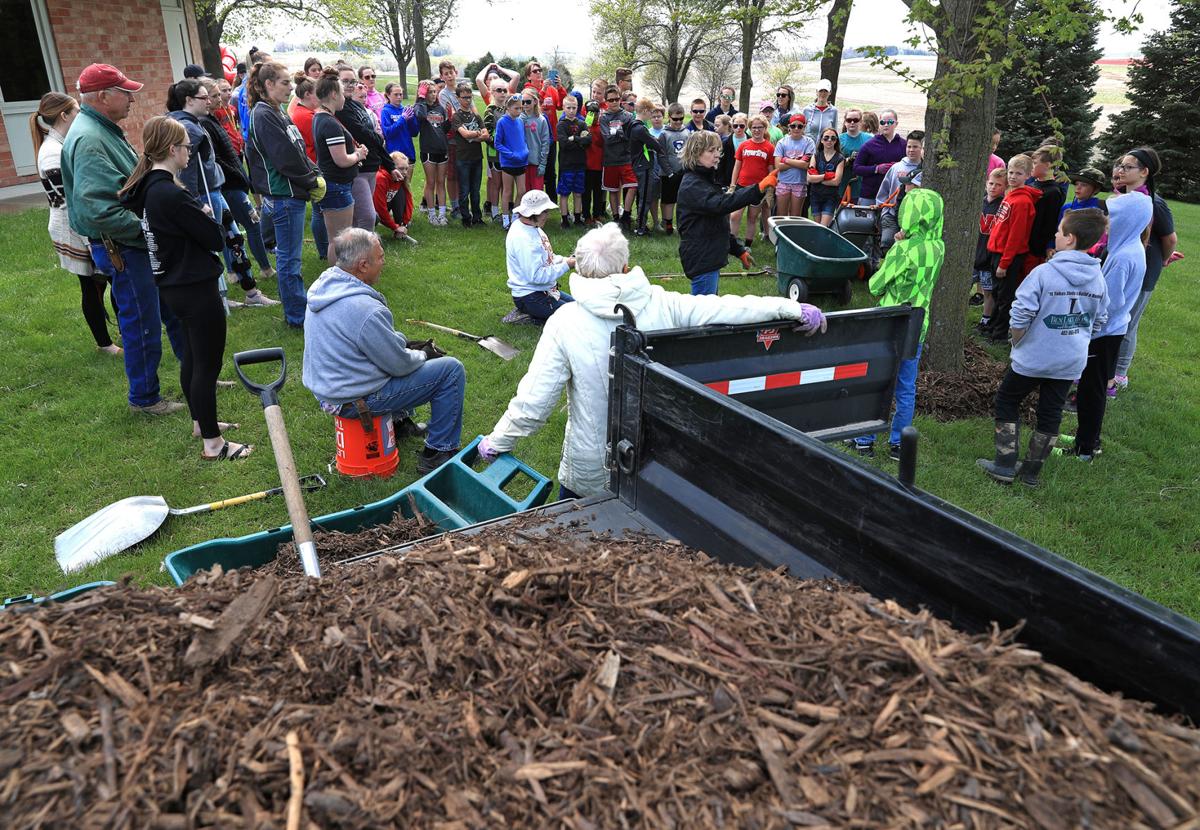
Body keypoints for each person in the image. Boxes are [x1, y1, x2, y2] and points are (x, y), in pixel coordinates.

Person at [477, 222, 826, 498]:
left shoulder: (565, 322)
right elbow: (723, 307)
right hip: (657, 462)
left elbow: (535, 401)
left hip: (593, 469)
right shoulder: (662, 303)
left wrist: (498, 440)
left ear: (579, 271)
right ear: (626, 265)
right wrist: (788, 307)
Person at [119, 117, 250, 460]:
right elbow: (213, 238)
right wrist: (208, 215)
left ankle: (200, 423)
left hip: (173, 286)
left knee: (192, 357)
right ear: (173, 149)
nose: (190, 153)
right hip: (194, 287)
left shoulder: (149, 188)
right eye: (187, 147)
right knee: (206, 364)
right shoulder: (169, 193)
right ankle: (213, 445)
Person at [61, 63, 185, 414]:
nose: (132, 97)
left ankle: (197, 373)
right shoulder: (89, 138)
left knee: (171, 311)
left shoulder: (101, 129)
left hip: (135, 244)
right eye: (124, 91)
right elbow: (95, 211)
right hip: (124, 249)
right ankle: (145, 399)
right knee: (142, 322)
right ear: (102, 96)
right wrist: (150, 229)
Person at [303, 228, 465, 474]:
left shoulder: (324, 287)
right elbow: (398, 364)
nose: (384, 261)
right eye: (380, 257)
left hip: (330, 391)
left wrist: (402, 342)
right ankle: (439, 452)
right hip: (352, 400)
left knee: (396, 350)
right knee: (451, 370)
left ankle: (398, 424)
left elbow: (372, 344)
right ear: (363, 265)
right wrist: (423, 354)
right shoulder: (365, 309)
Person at [977, 208, 1108, 486]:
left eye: (1060, 231)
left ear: (1070, 239)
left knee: (1008, 400)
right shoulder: (1098, 277)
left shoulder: (1043, 273)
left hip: (1034, 356)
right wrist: (1080, 339)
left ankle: (1004, 464)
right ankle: (1031, 474)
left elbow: (1020, 314)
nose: (1055, 234)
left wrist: (1018, 340)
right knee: (1051, 411)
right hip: (1069, 360)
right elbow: (1099, 319)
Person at [848, 188, 945, 460]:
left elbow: (875, 285)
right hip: (917, 325)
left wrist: (895, 249)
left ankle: (864, 440)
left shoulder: (902, 250)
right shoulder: (939, 246)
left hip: (890, 325)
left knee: (877, 382)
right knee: (906, 387)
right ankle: (898, 444)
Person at [31, 92, 120, 355]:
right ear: (64, 115)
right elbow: (68, 202)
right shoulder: (51, 153)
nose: (80, 115)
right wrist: (89, 240)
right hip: (73, 228)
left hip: (80, 224)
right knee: (92, 285)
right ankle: (106, 344)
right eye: (76, 111)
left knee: (106, 280)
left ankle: (123, 333)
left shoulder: (61, 144)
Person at [1071, 191, 1153, 462]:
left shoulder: (1124, 257)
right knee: (1089, 388)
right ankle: (1086, 436)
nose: (1108, 220)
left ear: (1128, 220)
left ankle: (1085, 448)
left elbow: (1111, 302)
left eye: (1113, 216)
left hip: (1105, 332)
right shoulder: (1129, 248)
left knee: (1092, 390)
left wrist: (1090, 325)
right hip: (1110, 330)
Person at [245, 60, 323, 328]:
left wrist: (314, 172)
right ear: (268, 84)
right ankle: (296, 316)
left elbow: (298, 148)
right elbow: (285, 158)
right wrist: (311, 181)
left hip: (292, 194)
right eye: (285, 82)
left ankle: (297, 310)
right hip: (283, 196)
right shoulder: (263, 114)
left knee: (292, 257)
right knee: (289, 259)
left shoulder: (277, 111)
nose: (291, 87)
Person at [196, 77, 279, 304]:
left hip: (230, 183)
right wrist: (237, 176)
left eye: (220, 93)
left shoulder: (216, 118)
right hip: (228, 186)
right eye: (213, 95)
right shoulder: (203, 124)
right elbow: (216, 160)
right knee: (246, 227)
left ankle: (246, 278)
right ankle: (261, 269)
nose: (220, 98)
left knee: (235, 232)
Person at [1111, 147, 1179, 396]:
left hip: (1143, 271)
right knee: (1113, 317)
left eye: (1127, 167)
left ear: (1144, 172)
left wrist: (1161, 261)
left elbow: (1170, 239)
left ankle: (1120, 374)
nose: (1120, 170)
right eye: (1120, 165)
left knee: (1127, 323)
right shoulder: (1123, 198)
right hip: (1120, 267)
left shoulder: (1153, 203)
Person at [677, 131, 778, 295]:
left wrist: (739, 250)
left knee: (708, 308)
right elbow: (722, 205)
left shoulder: (705, 180)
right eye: (711, 151)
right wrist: (757, 189)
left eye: (717, 149)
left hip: (708, 256)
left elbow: (716, 225)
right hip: (702, 258)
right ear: (695, 153)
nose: (717, 155)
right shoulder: (692, 184)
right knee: (702, 313)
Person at [983, 154, 1039, 341]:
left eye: (1019, 173)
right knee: (997, 293)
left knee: (1005, 297)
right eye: (1011, 172)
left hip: (1009, 256)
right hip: (996, 252)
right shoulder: (1010, 196)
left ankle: (999, 333)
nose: (1013, 177)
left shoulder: (1022, 201)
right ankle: (992, 325)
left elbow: (1016, 236)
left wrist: (1005, 263)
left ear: (1028, 175)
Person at [313, 69, 369, 255]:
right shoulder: (329, 122)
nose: (346, 96)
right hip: (336, 186)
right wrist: (358, 155)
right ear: (333, 94)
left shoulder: (321, 117)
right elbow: (342, 160)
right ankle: (337, 280)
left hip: (335, 185)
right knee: (338, 241)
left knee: (337, 240)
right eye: (342, 90)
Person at [337, 67, 398, 232]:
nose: (350, 85)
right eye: (345, 81)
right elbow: (363, 133)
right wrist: (378, 137)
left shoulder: (356, 105)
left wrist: (390, 165)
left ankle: (358, 253)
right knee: (367, 217)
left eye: (353, 81)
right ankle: (364, 254)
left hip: (372, 167)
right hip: (358, 170)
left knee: (359, 218)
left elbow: (373, 136)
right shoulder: (341, 109)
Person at [506, 190, 576, 321]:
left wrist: (568, 259)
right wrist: (567, 265)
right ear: (534, 212)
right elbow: (536, 276)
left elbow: (548, 258)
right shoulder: (524, 239)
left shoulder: (533, 227)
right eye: (544, 211)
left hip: (544, 290)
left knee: (579, 307)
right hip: (530, 296)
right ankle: (527, 315)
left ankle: (535, 314)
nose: (547, 215)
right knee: (573, 318)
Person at [875, 129, 924, 257]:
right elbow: (883, 191)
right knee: (887, 243)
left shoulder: (926, 170)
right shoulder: (896, 167)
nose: (911, 150)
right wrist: (882, 209)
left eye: (915, 147)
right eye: (909, 146)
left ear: (922, 148)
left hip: (914, 218)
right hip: (891, 214)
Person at [729, 115, 774, 247]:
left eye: (760, 127)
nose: (757, 130)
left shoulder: (769, 147)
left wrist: (770, 188)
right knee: (734, 215)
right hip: (742, 185)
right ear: (750, 129)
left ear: (765, 128)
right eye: (754, 127)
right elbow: (737, 166)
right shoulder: (744, 145)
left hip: (758, 188)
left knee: (752, 217)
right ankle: (733, 243)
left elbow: (771, 170)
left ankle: (747, 245)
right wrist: (732, 184)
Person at [1023, 146, 1067, 276]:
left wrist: (1043, 247)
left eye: (1035, 163)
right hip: (1022, 244)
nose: (1031, 166)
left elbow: (1049, 224)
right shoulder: (1031, 185)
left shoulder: (1053, 192)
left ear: (1048, 165)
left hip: (1034, 250)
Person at [599, 85, 637, 230]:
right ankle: (616, 218)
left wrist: (617, 134)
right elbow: (607, 139)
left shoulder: (627, 116)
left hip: (626, 158)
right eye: (610, 100)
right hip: (610, 159)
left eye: (616, 99)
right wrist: (620, 133)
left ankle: (626, 215)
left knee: (632, 185)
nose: (614, 102)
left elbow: (629, 137)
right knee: (613, 190)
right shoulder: (603, 118)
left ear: (620, 99)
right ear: (606, 101)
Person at [973, 167, 1006, 324]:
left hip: (988, 257)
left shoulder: (1003, 206)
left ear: (1005, 187)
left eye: (998, 185)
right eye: (991, 183)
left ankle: (985, 319)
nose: (993, 187)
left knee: (988, 291)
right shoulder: (978, 203)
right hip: (973, 254)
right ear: (986, 183)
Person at [414, 78, 450, 226]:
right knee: (431, 182)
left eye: (435, 91)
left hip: (442, 149)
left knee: (441, 182)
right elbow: (421, 116)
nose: (433, 95)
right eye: (429, 92)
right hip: (428, 150)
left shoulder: (440, 108)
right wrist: (421, 98)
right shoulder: (419, 106)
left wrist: (449, 118)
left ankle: (441, 214)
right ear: (423, 93)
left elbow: (444, 130)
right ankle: (431, 214)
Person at [451, 82, 487, 227]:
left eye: (469, 97)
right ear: (458, 98)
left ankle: (477, 217)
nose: (467, 100)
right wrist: (475, 135)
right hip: (463, 159)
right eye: (464, 97)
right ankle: (466, 217)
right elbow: (464, 134)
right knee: (464, 190)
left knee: (475, 190)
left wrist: (474, 136)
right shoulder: (456, 117)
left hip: (477, 158)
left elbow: (486, 134)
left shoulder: (476, 116)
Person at [852, 109, 905, 205]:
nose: (886, 125)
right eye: (882, 122)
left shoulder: (904, 145)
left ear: (896, 124)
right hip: (870, 195)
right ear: (879, 124)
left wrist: (898, 167)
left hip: (895, 196)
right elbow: (856, 168)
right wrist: (876, 169)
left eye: (890, 122)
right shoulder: (869, 145)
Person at [494, 95, 529, 229]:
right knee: (507, 192)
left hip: (521, 161)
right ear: (508, 108)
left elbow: (522, 139)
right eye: (516, 108)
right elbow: (498, 143)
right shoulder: (502, 122)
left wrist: (525, 151)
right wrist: (511, 154)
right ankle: (505, 219)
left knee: (521, 191)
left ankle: (515, 216)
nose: (519, 111)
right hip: (508, 162)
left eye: (520, 108)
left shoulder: (520, 121)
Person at [557, 95, 590, 227]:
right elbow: (564, 143)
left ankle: (577, 217)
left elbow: (588, 140)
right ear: (564, 108)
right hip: (567, 165)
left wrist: (574, 139)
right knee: (564, 193)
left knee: (578, 193)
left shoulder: (582, 124)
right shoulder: (561, 125)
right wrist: (579, 140)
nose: (571, 110)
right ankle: (564, 219)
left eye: (574, 108)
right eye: (568, 108)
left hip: (580, 164)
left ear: (578, 108)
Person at [773, 113, 813, 217]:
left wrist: (785, 159)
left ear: (804, 127)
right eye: (793, 126)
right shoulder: (782, 142)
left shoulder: (809, 142)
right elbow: (778, 166)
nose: (796, 128)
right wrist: (798, 160)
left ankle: (793, 234)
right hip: (783, 182)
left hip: (800, 182)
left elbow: (805, 165)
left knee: (795, 216)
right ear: (789, 126)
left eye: (800, 126)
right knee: (781, 215)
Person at [657, 103, 689, 235]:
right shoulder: (664, 134)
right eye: (675, 119)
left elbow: (689, 152)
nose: (678, 122)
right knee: (668, 199)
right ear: (669, 117)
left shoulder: (686, 132)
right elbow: (662, 155)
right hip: (668, 173)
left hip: (683, 172)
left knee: (681, 200)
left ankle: (682, 224)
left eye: (681, 119)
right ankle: (668, 224)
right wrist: (670, 173)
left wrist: (686, 169)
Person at [482, 81, 510, 222]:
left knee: (506, 183)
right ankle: (494, 212)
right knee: (496, 182)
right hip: (494, 152)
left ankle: (504, 210)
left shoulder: (509, 108)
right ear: (492, 92)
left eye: (505, 90)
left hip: (508, 153)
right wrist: (499, 144)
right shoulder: (490, 110)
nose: (503, 93)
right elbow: (487, 132)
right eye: (499, 90)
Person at [374, 151, 417, 243]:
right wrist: (395, 227)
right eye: (401, 169)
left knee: (400, 193)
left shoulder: (400, 178)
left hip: (384, 207)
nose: (405, 172)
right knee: (375, 217)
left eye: (406, 168)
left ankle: (400, 228)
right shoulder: (380, 178)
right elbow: (380, 208)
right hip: (373, 211)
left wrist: (404, 223)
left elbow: (408, 202)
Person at [631, 98, 660, 236]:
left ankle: (640, 224)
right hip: (644, 166)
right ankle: (641, 227)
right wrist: (657, 144)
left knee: (641, 196)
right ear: (644, 111)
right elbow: (655, 145)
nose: (652, 115)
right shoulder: (640, 128)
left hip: (638, 164)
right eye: (650, 112)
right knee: (645, 197)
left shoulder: (632, 125)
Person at [807, 127, 845, 227]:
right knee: (817, 226)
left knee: (823, 227)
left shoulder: (840, 158)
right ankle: (818, 242)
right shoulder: (816, 155)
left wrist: (818, 179)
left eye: (833, 138)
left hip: (831, 196)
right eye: (826, 138)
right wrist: (826, 176)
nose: (829, 140)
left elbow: (836, 181)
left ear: (836, 141)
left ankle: (822, 242)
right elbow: (810, 178)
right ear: (821, 140)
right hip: (815, 195)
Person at [838, 108, 871, 206]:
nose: (852, 122)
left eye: (855, 120)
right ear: (845, 122)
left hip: (862, 185)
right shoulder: (839, 139)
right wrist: (848, 160)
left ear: (861, 122)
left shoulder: (869, 139)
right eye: (849, 120)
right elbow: (833, 161)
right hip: (843, 184)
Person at [380, 82, 419, 165]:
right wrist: (402, 119)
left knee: (407, 178)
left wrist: (412, 119)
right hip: (394, 154)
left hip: (408, 153)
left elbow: (414, 133)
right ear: (388, 95)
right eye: (396, 94)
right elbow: (388, 133)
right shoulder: (385, 111)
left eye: (400, 94)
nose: (399, 97)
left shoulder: (405, 110)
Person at [520, 89, 550, 193]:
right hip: (522, 162)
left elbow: (545, 143)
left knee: (537, 192)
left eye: (528, 101)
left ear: (535, 101)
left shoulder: (541, 120)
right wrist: (520, 121)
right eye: (522, 102)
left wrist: (543, 164)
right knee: (524, 191)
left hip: (536, 162)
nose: (525, 104)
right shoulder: (518, 119)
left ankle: (539, 210)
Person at [802, 79, 838, 144]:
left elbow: (834, 132)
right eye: (821, 91)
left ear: (830, 92)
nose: (823, 93)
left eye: (825, 91)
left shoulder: (834, 111)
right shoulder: (807, 110)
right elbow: (802, 130)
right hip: (808, 147)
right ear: (816, 92)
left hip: (825, 148)